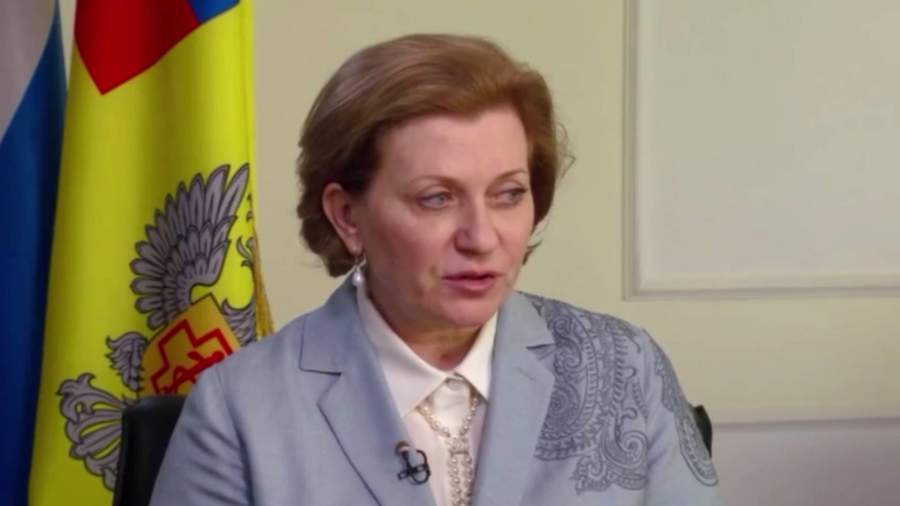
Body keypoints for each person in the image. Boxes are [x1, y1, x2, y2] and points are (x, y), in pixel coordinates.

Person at [150, 33, 722, 506]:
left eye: (508, 194)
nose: (481, 238)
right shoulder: (241, 407)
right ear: (347, 215)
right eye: (437, 198)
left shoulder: (624, 367)